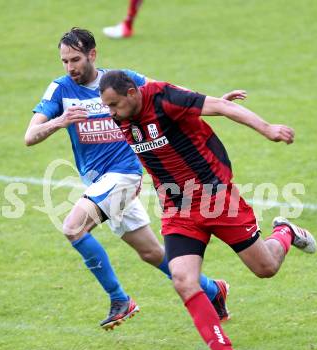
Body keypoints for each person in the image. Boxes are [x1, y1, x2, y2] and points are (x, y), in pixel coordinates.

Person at [99, 70, 317, 350]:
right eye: (107, 106)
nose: (111, 113)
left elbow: (225, 108)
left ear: (133, 93)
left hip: (216, 198)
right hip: (177, 208)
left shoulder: (163, 98)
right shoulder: (122, 115)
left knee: (265, 268)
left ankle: (286, 231)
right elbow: (144, 148)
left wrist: (268, 128)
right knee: (183, 279)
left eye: (115, 105)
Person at [24, 28, 245, 330]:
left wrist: (215, 101)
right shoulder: (60, 89)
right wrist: (60, 121)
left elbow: (168, 92)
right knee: (151, 253)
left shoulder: (119, 82)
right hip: (97, 182)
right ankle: (213, 290)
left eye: (75, 59)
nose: (69, 67)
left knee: (73, 228)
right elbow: (29, 136)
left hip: (126, 174)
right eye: (64, 61)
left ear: (92, 54)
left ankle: (119, 299)